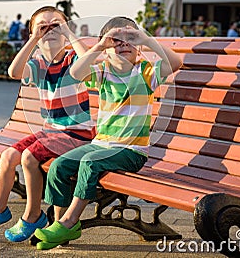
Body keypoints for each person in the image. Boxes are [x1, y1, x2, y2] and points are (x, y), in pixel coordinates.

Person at [34, 16, 182, 250]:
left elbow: (175, 63)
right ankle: (59, 224)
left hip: (131, 151)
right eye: (117, 41)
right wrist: (99, 46)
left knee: (90, 163)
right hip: (101, 144)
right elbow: (75, 72)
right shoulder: (103, 72)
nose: (124, 44)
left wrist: (145, 38)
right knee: (58, 166)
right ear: (107, 49)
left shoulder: (145, 73)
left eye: (130, 40)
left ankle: (70, 221)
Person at [0, 6, 95, 242]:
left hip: (78, 135)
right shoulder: (39, 64)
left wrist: (70, 35)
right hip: (51, 133)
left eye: (56, 25)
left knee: (29, 157)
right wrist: (33, 39)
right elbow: (14, 71)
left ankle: (33, 216)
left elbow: (89, 65)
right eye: (43, 26)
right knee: (9, 155)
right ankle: (0, 210)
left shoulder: (73, 60)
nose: (49, 29)